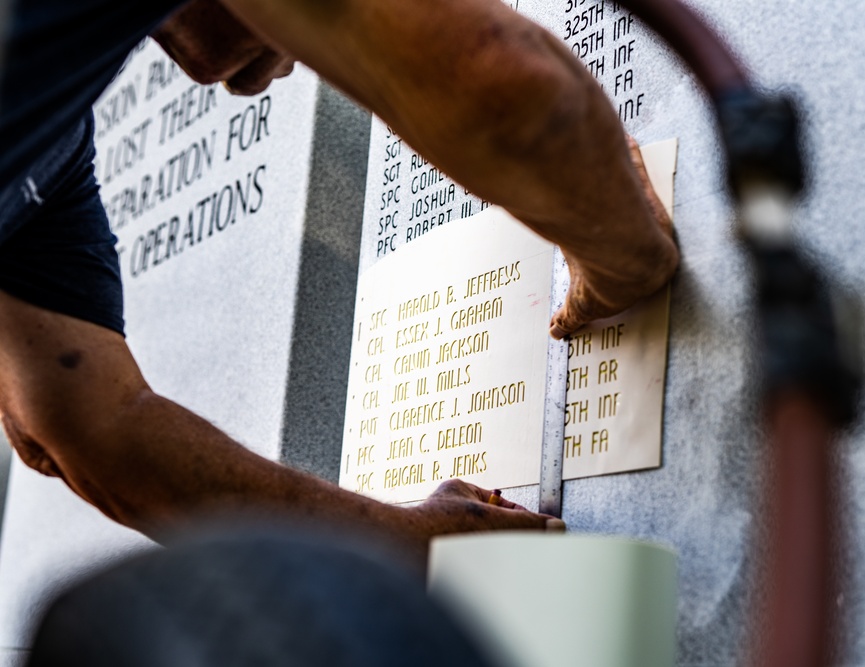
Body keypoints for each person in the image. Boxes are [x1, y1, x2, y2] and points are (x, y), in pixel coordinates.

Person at [0, 0, 678, 557]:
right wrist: (625, 257)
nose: (288, 70)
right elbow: (498, 74)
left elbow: (88, 425)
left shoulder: (48, 146)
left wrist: (412, 544)